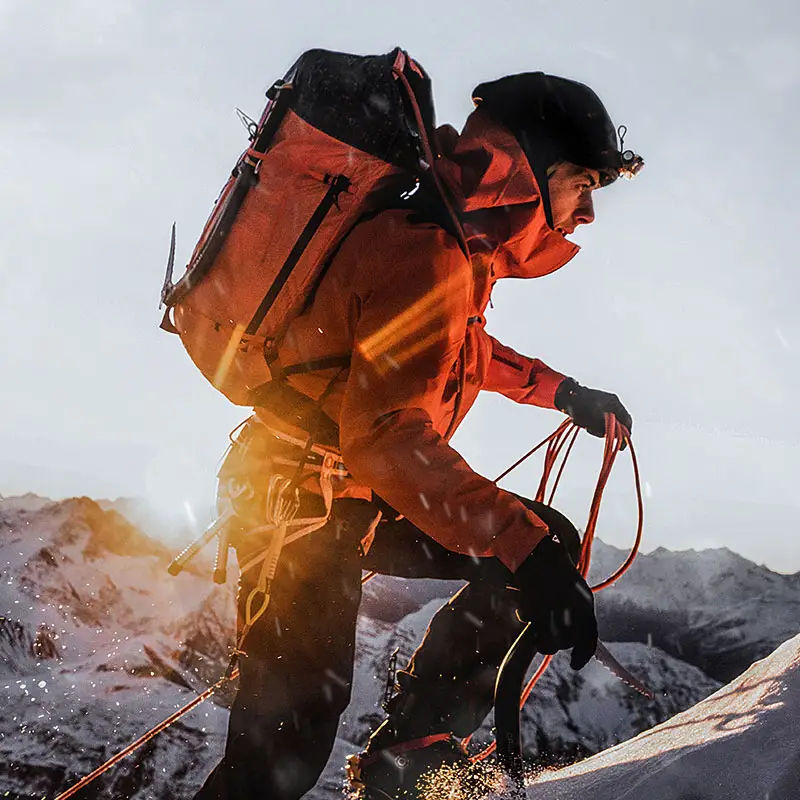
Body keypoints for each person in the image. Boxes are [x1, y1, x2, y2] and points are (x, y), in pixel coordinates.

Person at [192, 71, 638, 800]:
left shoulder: (454, 247)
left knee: (543, 543)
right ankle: (408, 752)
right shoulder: (427, 252)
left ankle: (414, 752)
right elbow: (389, 439)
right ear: (525, 167)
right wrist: (522, 547)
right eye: (581, 184)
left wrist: (560, 392)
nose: (587, 212)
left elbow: (449, 348)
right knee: (284, 752)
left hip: (338, 492)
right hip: (301, 507)